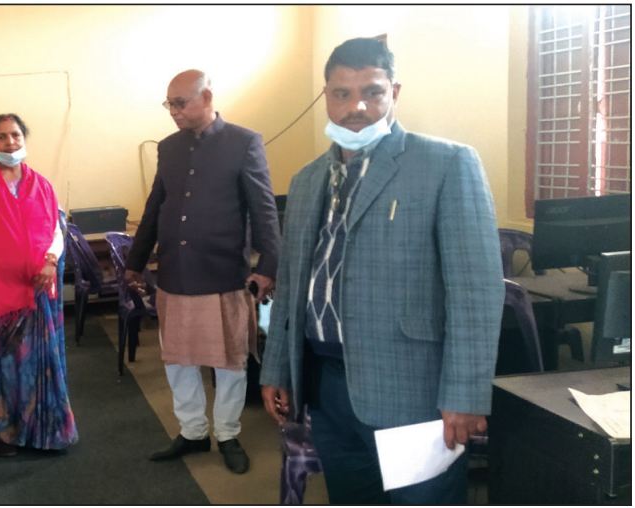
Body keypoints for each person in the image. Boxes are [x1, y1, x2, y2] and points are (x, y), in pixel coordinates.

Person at [259, 38, 503, 504]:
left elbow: (475, 292)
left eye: (372, 92)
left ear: (395, 92)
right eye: (342, 93)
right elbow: (290, 287)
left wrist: (466, 395)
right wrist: (277, 367)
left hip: (411, 390)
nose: (357, 107)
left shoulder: (445, 164)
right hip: (325, 387)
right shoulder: (307, 180)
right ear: (326, 97)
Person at [126, 69, 281, 474]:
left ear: (207, 97)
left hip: (222, 274)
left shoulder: (244, 142)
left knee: (229, 361)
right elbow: (155, 206)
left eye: (180, 103)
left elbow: (264, 211)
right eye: (169, 104)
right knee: (178, 360)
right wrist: (134, 262)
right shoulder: (168, 147)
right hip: (175, 275)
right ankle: (192, 432)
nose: (173, 111)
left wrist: (268, 267)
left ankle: (228, 434)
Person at [0, 113, 78, 458]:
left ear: (24, 138)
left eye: (16, 135)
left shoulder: (42, 185)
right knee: (1, 367)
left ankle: (43, 432)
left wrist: (50, 261)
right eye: (1, 137)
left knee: (38, 364)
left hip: (37, 294)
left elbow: (56, 230)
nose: (10, 142)